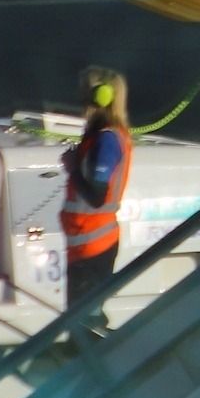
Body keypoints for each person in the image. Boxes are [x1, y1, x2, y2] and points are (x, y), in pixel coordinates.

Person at [60, 65, 137, 310]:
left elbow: (97, 196)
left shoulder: (107, 140)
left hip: (94, 246)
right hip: (85, 245)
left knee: (85, 322)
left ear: (100, 96)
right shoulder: (99, 137)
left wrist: (73, 168)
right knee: (81, 319)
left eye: (85, 93)